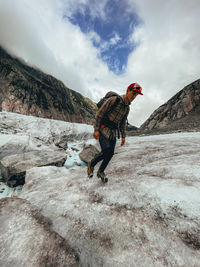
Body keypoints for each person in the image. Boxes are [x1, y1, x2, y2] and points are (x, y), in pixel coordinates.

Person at [87, 83, 143, 183]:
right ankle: (91, 164)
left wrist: (123, 136)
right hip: (103, 128)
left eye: (136, 95)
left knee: (110, 154)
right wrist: (96, 130)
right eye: (133, 93)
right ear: (127, 91)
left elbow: (122, 123)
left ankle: (101, 171)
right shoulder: (114, 100)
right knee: (106, 150)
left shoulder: (127, 108)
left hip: (113, 131)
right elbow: (99, 114)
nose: (134, 96)